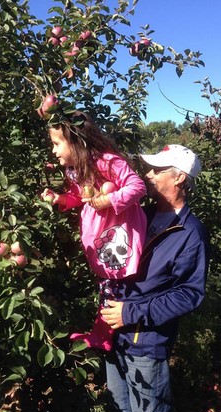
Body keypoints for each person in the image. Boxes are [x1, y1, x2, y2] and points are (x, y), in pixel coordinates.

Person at [100, 144, 209, 412]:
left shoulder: (191, 234)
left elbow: (189, 294)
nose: (147, 174)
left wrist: (131, 313)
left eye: (157, 170)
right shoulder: (139, 213)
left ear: (178, 177)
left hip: (144, 342)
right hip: (112, 336)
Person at [41, 111, 147, 351]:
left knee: (114, 287)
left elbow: (137, 186)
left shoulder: (107, 162)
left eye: (57, 144)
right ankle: (103, 333)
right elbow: (80, 197)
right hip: (101, 237)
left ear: (76, 140)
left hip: (119, 236)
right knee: (107, 285)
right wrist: (60, 199)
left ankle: (105, 335)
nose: (54, 151)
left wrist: (110, 200)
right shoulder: (77, 169)